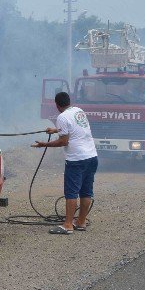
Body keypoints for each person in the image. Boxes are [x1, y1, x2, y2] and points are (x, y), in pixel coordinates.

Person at [32, 91, 98, 234]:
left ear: (57, 105)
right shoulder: (78, 111)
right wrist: (55, 130)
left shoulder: (61, 117)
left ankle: (68, 225)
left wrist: (44, 144)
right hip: (92, 156)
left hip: (76, 159)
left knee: (71, 193)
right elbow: (75, 127)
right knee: (86, 192)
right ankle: (80, 222)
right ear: (69, 101)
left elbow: (64, 141)